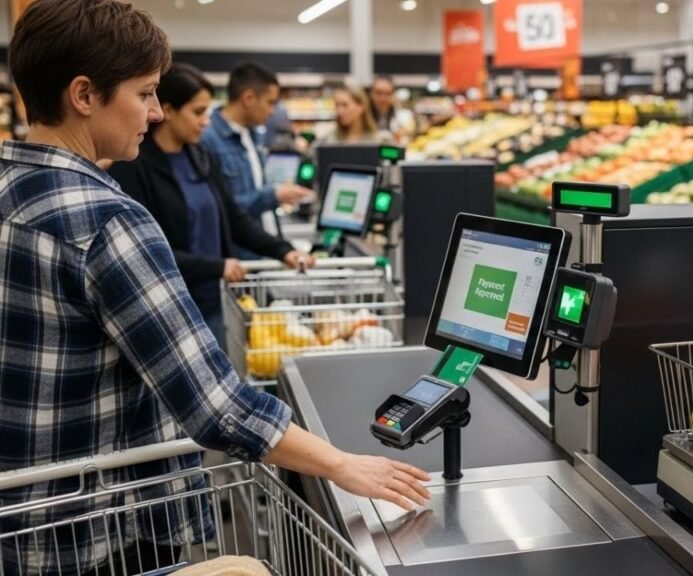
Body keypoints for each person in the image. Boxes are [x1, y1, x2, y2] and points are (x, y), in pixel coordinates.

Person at [0, 2, 428, 575]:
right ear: (84, 94)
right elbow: (215, 406)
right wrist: (341, 464)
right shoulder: (107, 220)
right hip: (100, 533)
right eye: (145, 92)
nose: (155, 112)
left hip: (24, 521)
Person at [108, 63, 311, 347]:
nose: (206, 120)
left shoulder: (200, 157)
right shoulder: (134, 167)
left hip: (216, 300)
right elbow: (147, 251)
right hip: (171, 306)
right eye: (198, 112)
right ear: (168, 110)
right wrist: (216, 266)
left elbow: (234, 218)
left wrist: (283, 250)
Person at [200, 62, 314, 257]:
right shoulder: (208, 140)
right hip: (241, 259)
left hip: (266, 252)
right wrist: (273, 196)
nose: (272, 111)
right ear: (249, 98)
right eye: (270, 102)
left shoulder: (253, 135)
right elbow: (221, 211)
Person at [316, 84, 381, 144]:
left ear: (361, 107)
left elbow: (389, 155)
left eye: (345, 105)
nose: (339, 111)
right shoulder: (328, 140)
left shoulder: (377, 140)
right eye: (337, 105)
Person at [368, 75, 415, 143]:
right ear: (371, 93)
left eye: (387, 93)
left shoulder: (404, 118)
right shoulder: (361, 118)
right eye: (379, 93)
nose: (383, 98)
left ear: (393, 94)